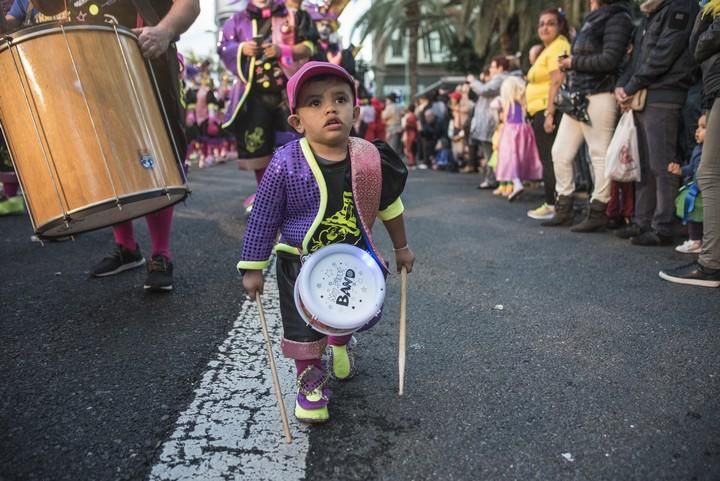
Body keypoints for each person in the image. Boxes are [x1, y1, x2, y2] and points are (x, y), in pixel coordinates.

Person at [238, 61, 415, 422]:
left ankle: (339, 343)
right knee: (303, 328)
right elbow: (264, 216)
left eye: (340, 99)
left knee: (345, 312)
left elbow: (389, 205)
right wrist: (253, 266)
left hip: (351, 258)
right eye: (315, 103)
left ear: (356, 110)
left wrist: (401, 247)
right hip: (300, 262)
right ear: (297, 122)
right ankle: (310, 385)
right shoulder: (285, 164)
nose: (330, 108)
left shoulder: (368, 158)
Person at [36, 0, 198, 293]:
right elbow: (47, 7)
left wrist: (163, 31)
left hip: (146, 63)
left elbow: (190, 5)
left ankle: (161, 254)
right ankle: (126, 247)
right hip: (88, 70)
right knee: (105, 155)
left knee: (153, 156)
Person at [542, 0, 633, 232]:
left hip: (601, 93)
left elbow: (610, 59)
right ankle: (564, 207)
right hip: (579, 94)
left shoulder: (618, 18)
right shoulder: (593, 18)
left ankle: (598, 210)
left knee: (598, 154)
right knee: (560, 152)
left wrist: (574, 62)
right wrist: (571, 65)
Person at [615, 0, 700, 245]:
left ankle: (663, 226)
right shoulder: (652, 12)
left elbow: (664, 53)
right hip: (645, 94)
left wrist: (631, 85)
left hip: (665, 94)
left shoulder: (681, 7)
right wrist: (624, 85)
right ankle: (643, 222)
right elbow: (637, 59)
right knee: (645, 165)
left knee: (662, 165)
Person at [218, 0, 315, 186]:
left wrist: (283, 50)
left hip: (287, 95)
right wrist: (241, 48)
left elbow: (310, 45)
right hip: (252, 96)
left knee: (294, 148)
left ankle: (295, 196)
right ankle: (266, 196)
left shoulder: (292, 15)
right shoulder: (236, 20)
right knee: (259, 149)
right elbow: (223, 47)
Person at [660, 3, 720, 287]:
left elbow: (698, 47)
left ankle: (711, 264)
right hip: (713, 90)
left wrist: (706, 16)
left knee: (710, 173)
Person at [525, 8, 571, 220]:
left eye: (550, 23)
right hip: (540, 110)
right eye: (541, 23)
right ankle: (553, 201)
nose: (544, 27)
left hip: (548, 110)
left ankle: (553, 203)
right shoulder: (548, 49)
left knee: (551, 159)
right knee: (549, 158)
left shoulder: (559, 46)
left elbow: (556, 80)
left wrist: (550, 113)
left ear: (560, 26)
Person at [494, 76, 543, 201]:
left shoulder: (508, 103)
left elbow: (505, 119)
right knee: (521, 157)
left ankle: (516, 183)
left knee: (510, 159)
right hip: (524, 130)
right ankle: (518, 182)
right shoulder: (523, 102)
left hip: (510, 131)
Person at [468, 57, 510, 186]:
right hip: (490, 121)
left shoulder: (500, 79)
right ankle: (495, 179)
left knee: (490, 153)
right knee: (490, 152)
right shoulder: (500, 79)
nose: (490, 70)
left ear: (500, 68)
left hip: (491, 122)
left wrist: (473, 81)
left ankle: (492, 179)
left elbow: (484, 90)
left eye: (492, 67)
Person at [668, 112, 705, 253]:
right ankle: (695, 240)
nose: (697, 130)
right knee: (693, 215)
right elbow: (692, 168)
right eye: (698, 127)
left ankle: (702, 241)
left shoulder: (711, 151)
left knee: (702, 216)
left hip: (706, 190)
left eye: (703, 127)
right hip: (697, 189)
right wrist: (680, 171)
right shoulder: (697, 149)